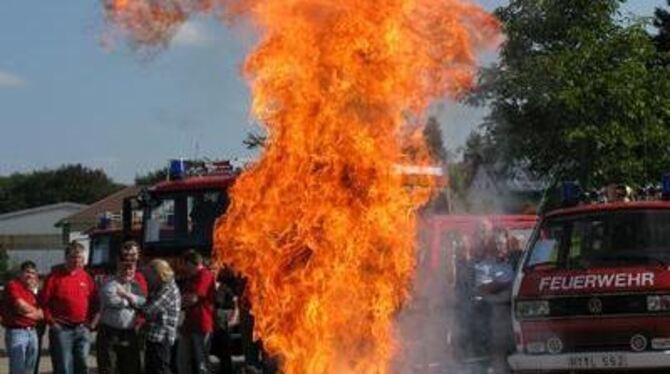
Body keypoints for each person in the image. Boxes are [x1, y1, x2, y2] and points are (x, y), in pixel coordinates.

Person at [41, 241, 97, 374]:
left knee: (82, 366)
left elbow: (95, 301)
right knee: (64, 368)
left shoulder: (86, 277)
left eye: (80, 258)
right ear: (66, 258)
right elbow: (43, 303)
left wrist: (91, 322)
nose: (77, 261)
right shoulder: (54, 278)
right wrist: (52, 322)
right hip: (62, 329)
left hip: (82, 329)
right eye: (73, 257)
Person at [96, 260, 146, 374]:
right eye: (124, 269)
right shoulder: (110, 283)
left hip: (129, 333)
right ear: (118, 270)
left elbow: (143, 302)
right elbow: (112, 300)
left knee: (131, 368)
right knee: (109, 368)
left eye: (131, 269)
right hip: (109, 332)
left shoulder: (135, 285)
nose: (128, 272)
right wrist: (132, 301)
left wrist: (126, 295)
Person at [177, 250, 216, 374]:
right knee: (182, 359)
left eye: (185, 264)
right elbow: (185, 297)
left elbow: (194, 298)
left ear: (191, 263)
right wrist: (183, 300)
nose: (184, 268)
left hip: (202, 324)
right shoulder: (191, 277)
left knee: (202, 363)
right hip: (188, 324)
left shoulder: (205, 275)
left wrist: (177, 303)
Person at [2, 261, 44, 374]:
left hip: (33, 332)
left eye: (33, 273)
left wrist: (26, 313)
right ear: (20, 273)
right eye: (27, 272)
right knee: (18, 369)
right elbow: (21, 305)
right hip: (17, 332)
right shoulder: (13, 285)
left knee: (30, 369)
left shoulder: (33, 291)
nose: (30, 275)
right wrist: (34, 313)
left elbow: (42, 313)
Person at [143, 259, 181, 374]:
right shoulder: (159, 287)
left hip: (162, 337)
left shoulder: (168, 289)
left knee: (161, 369)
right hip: (154, 336)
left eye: (149, 274)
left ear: (157, 273)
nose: (147, 278)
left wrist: (129, 297)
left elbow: (149, 310)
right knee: (152, 369)